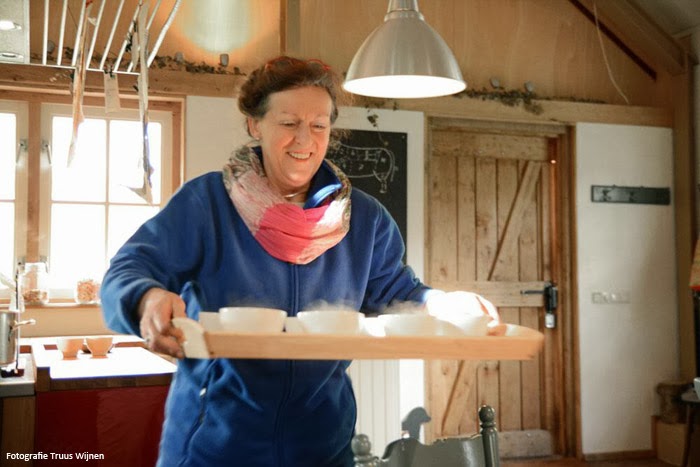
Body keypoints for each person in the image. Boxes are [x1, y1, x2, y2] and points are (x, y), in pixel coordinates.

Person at [100, 55, 500, 467]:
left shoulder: (364, 219)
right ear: (255, 125)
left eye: (319, 126)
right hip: (214, 446)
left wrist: (444, 303)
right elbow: (126, 272)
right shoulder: (208, 203)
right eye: (289, 123)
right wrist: (145, 298)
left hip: (322, 447)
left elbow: (399, 295)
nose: (304, 140)